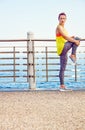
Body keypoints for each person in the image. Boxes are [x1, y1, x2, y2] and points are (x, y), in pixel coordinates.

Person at [55, 12, 80, 91]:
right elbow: (65, 37)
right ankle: (73, 55)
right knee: (77, 39)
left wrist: (71, 37)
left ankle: (62, 86)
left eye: (64, 18)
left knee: (62, 68)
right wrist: (75, 41)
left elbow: (66, 37)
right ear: (58, 19)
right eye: (61, 18)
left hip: (63, 49)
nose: (62, 20)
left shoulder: (63, 28)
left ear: (66, 19)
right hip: (62, 47)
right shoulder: (59, 27)